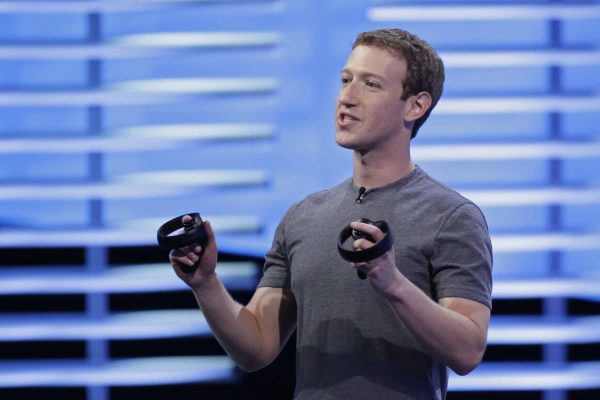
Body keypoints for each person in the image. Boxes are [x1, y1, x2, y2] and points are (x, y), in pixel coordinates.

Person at [170, 28, 493, 400]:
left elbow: (468, 351)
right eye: (345, 80)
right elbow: (256, 349)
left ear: (415, 106)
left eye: (370, 85)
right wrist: (206, 283)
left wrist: (393, 284)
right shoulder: (303, 217)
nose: (347, 98)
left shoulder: (452, 216)